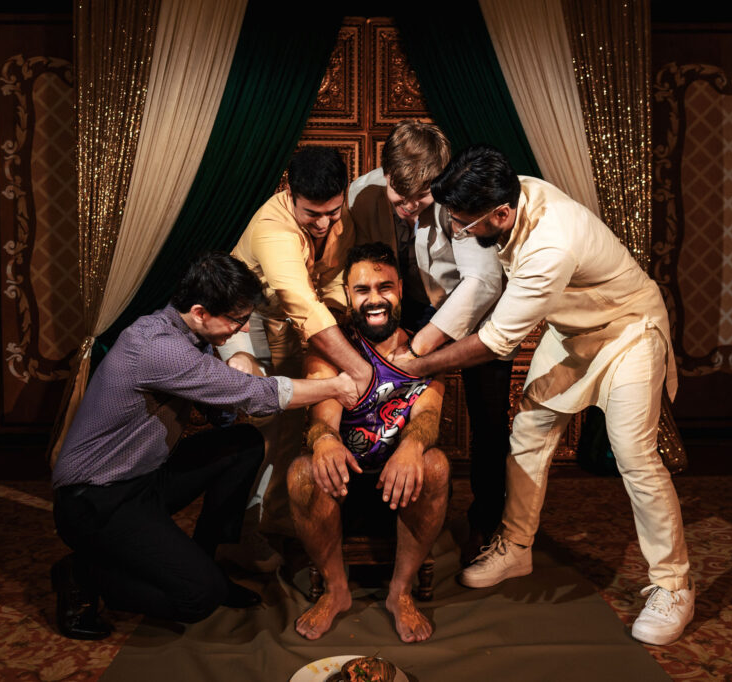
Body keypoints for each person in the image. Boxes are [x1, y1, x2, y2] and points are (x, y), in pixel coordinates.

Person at [392, 145, 694, 646]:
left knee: (634, 454)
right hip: (573, 329)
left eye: (466, 225)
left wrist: (419, 366)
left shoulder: (550, 246)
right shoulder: (510, 190)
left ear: (501, 214)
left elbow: (495, 343)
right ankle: (515, 545)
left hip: (628, 331)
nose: (460, 232)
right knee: (529, 429)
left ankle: (672, 585)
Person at [50, 252, 357, 640]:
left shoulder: (188, 334)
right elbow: (255, 396)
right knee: (198, 598)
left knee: (242, 444)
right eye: (236, 320)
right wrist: (335, 386)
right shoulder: (156, 346)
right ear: (199, 311)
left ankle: (210, 557)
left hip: (144, 478)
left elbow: (225, 412)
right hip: (95, 499)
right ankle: (80, 574)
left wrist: (237, 367)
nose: (241, 329)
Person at [347, 121, 508, 559]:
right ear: (384, 177)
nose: (412, 208)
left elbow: (485, 281)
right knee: (387, 400)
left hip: (475, 311)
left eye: (424, 198)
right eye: (402, 199)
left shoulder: (456, 194)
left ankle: (487, 521)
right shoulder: (360, 194)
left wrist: (422, 347)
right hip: (406, 302)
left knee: (489, 419)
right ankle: (386, 508)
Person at [287, 242, 449, 643]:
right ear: (346, 295)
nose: (374, 299)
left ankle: (400, 593)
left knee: (436, 464)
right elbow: (322, 418)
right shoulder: (330, 349)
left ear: (399, 290)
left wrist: (412, 448)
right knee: (302, 472)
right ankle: (335, 590)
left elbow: (428, 417)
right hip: (344, 484)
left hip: (399, 486)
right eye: (362, 289)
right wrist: (324, 440)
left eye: (384, 287)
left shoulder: (423, 349)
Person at [222, 147, 371, 558]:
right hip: (243, 318)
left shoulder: (340, 217)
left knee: (291, 425)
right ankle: (240, 533)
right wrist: (357, 368)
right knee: (262, 422)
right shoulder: (273, 227)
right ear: (289, 192)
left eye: (333, 212)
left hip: (289, 324)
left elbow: (335, 281)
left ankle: (275, 518)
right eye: (312, 214)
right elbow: (301, 300)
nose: (324, 224)